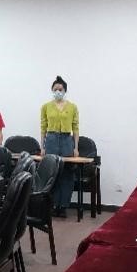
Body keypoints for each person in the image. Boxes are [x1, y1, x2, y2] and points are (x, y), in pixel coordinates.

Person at [38, 76, 79, 217]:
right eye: (55, 89)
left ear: (65, 91)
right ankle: (54, 205)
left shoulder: (72, 107)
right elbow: (43, 127)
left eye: (60, 89)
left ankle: (64, 206)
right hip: (51, 139)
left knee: (67, 173)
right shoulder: (46, 107)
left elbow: (76, 128)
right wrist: (42, 146)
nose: (58, 92)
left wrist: (75, 148)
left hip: (67, 140)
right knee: (52, 173)